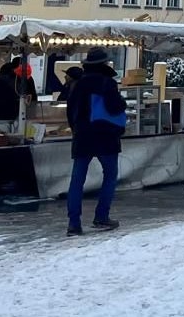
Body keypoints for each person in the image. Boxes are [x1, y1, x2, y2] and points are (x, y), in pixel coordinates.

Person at [64, 48, 126, 235]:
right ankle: (101, 216)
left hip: (83, 136)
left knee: (77, 180)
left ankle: (74, 223)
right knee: (109, 176)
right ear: (104, 64)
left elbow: (70, 111)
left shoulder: (78, 84)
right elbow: (116, 107)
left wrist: (76, 130)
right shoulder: (108, 83)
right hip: (106, 137)